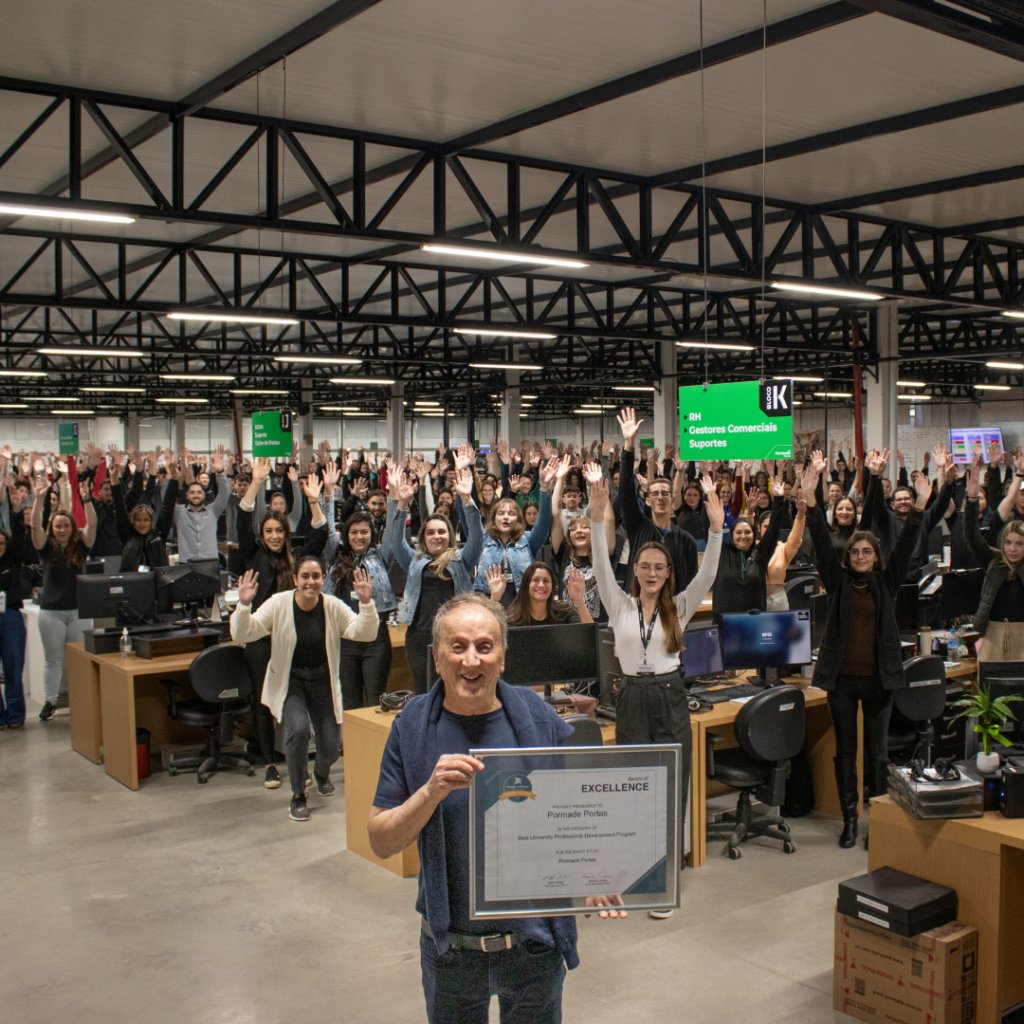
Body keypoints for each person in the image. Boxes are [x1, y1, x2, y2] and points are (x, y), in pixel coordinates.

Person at [368, 593, 624, 1024]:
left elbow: (579, 817)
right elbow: (380, 839)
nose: (472, 660)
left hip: (533, 949)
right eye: (458, 646)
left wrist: (591, 870)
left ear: (503, 657)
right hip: (452, 953)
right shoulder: (411, 728)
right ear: (436, 657)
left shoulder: (541, 722)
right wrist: (429, 793)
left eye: (485, 647)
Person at [588, 477, 724, 916]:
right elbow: (600, 564)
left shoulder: (681, 606)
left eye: (658, 568)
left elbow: (708, 574)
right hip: (631, 697)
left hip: (669, 696)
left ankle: (666, 879)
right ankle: (636, 867)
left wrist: (717, 530)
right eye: (644, 566)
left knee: (671, 787)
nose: (650, 573)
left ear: (668, 574)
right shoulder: (619, 605)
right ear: (636, 571)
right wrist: (596, 515)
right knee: (634, 787)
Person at [801, 450, 928, 849]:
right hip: (843, 681)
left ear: (876, 557)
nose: (859, 556)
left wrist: (920, 506)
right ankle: (850, 820)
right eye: (854, 552)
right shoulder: (837, 582)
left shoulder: (886, 584)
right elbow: (821, 541)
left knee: (878, 756)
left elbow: (906, 543)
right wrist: (810, 499)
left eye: (866, 552)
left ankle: (877, 820)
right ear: (848, 558)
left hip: (879, 681)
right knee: (845, 752)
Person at [231, 556, 378, 821]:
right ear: (295, 580)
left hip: (323, 681)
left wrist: (366, 604)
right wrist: (243, 605)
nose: (311, 582)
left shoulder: (331, 605)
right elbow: (244, 634)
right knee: (298, 731)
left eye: (316, 576)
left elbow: (364, 633)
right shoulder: (279, 603)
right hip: (291, 682)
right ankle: (298, 793)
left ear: (323, 578)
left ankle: (321, 773)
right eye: (305, 576)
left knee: (333, 747)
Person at [237, 459, 329, 788]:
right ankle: (268, 763)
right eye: (269, 531)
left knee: (294, 704)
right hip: (262, 639)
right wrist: (256, 483)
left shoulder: (297, 558)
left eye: (279, 531)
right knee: (264, 702)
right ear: (262, 535)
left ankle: (297, 761)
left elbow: (321, 533)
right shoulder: (254, 555)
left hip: (291, 639)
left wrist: (315, 500)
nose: (275, 536)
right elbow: (241, 519)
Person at [382, 465, 483, 694]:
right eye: (430, 532)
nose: (436, 536)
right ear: (424, 538)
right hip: (419, 637)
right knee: (423, 689)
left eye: (441, 532)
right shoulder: (414, 561)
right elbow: (396, 543)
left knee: (455, 690)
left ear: (450, 535)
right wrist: (402, 504)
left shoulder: (461, 561)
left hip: (455, 635)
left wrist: (467, 499)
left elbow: (477, 538)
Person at [323, 461, 399, 709]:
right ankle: (353, 749)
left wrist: (396, 497)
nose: (359, 536)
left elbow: (393, 531)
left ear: (371, 534)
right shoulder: (336, 555)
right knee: (350, 704)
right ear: (346, 534)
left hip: (376, 640)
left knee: (378, 701)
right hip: (344, 638)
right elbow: (325, 529)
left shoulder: (380, 556)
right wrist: (327, 494)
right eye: (354, 532)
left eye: (364, 532)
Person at [30, 476, 97, 721]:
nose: (62, 530)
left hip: (79, 612)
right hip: (51, 613)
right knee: (53, 660)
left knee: (79, 659)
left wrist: (86, 499)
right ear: (53, 528)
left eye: (66, 526)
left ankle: (82, 701)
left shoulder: (81, 546)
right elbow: (35, 528)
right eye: (58, 526)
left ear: (72, 528)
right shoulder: (45, 547)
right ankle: (50, 702)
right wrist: (38, 499)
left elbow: (92, 525)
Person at [615, 408, 697, 594]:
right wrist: (629, 444)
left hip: (672, 611)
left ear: (673, 499)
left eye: (665, 494)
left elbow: (691, 586)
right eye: (655, 494)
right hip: (638, 609)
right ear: (648, 500)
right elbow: (626, 492)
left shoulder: (686, 541)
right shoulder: (638, 527)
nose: (660, 497)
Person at [962, 453, 1024, 662]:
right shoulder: (994, 560)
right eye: (1008, 543)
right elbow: (972, 536)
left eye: (1019, 543)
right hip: (993, 635)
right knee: (989, 689)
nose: (1012, 549)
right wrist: (971, 500)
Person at [472, 458, 557, 608]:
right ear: (494, 518)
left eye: (511, 513)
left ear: (518, 519)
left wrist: (544, 487)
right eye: (501, 513)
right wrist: (465, 496)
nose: (506, 516)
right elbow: (469, 520)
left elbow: (544, 522)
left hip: (521, 603)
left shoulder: (528, 540)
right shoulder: (483, 538)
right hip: (486, 603)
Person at [711, 464, 787, 617]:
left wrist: (778, 499)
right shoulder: (722, 552)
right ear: (732, 535)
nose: (743, 536)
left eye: (747, 532)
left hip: (754, 624)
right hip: (726, 624)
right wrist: (710, 494)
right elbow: (712, 529)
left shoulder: (760, 554)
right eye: (738, 532)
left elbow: (773, 530)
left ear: (754, 534)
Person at [108, 455, 173, 572]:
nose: (142, 523)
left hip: (157, 585)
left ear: (151, 521)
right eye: (138, 520)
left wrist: (173, 480)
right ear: (132, 521)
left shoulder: (158, 534)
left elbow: (167, 508)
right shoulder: (127, 535)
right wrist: (113, 479)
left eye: (146, 520)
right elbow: (119, 507)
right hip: (133, 584)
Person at [168, 450, 231, 563]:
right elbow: (165, 500)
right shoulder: (179, 513)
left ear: (204, 495)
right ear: (187, 496)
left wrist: (221, 471)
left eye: (199, 492)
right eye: (192, 493)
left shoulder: (213, 511)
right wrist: (170, 477)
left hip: (210, 563)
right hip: (186, 564)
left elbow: (225, 495)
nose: (196, 495)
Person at [485, 561, 593, 626]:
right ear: (526, 585)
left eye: (546, 581)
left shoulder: (564, 612)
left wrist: (579, 601)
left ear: (552, 586)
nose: (541, 585)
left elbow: (589, 636)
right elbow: (488, 635)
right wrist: (494, 597)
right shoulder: (512, 618)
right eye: (535, 580)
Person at [0, 515, 31, 728]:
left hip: (10, 616)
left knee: (13, 667)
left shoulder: (13, 561)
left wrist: (17, 511)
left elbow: (20, 538)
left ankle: (15, 715)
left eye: (1, 543)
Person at [760, 495, 807, 612]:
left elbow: (795, 539)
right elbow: (743, 533)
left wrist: (801, 514)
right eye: (765, 526)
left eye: (771, 526)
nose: (769, 529)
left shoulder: (782, 548)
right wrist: (749, 512)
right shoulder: (753, 548)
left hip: (778, 600)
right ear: (758, 528)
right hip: (756, 599)